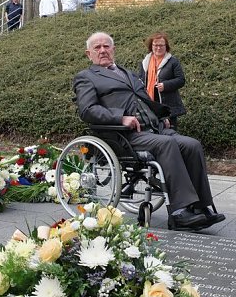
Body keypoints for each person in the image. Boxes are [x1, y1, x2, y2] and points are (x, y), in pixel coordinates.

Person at [73, 32, 225, 231]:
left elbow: (145, 100)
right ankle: (179, 212)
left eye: (106, 46)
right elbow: (87, 110)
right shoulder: (86, 77)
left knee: (192, 145)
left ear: (113, 49)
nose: (103, 50)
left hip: (153, 129)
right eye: (97, 47)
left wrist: (161, 117)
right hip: (124, 135)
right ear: (89, 54)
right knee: (167, 144)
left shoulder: (128, 73)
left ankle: (200, 207)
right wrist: (120, 117)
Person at [138, 32, 186, 128]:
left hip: (168, 106)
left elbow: (181, 80)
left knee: (170, 132)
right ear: (151, 46)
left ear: (166, 46)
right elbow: (140, 80)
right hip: (150, 105)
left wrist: (165, 85)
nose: (158, 48)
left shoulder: (173, 62)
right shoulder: (145, 62)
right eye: (155, 45)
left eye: (161, 45)